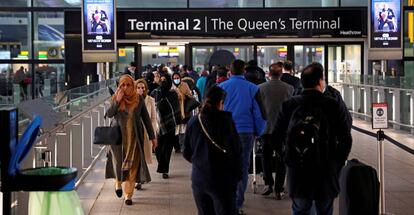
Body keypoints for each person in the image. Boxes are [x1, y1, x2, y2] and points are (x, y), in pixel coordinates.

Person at [272, 63, 352, 215]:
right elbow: (345, 139)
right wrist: (337, 163)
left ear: (302, 82)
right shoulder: (332, 105)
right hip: (326, 170)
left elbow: (275, 138)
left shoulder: (290, 104)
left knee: (301, 209)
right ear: (321, 81)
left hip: (298, 170)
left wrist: (288, 158)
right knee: (324, 209)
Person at [183, 86, 242, 215]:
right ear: (221, 103)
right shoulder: (225, 122)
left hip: (199, 178)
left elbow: (186, 151)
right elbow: (235, 151)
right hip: (223, 179)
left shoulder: (193, 121)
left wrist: (200, 160)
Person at [219, 59, 266, 214]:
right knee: (243, 166)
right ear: (244, 71)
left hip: (226, 131)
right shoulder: (253, 88)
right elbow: (259, 113)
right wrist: (258, 131)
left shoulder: (221, 87)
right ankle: (238, 202)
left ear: (229, 72)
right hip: (246, 132)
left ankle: (227, 199)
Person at [105, 75, 157, 205]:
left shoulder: (138, 99)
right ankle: (118, 183)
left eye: (128, 85)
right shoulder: (116, 97)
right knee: (118, 164)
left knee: (133, 167)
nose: (126, 87)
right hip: (118, 139)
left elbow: (146, 119)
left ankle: (128, 195)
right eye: (123, 85)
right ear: (119, 86)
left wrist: (152, 137)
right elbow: (109, 114)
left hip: (135, 139)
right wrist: (117, 100)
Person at [258, 62, 293, 199]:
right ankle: (279, 188)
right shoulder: (289, 88)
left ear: (269, 73)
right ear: (281, 74)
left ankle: (268, 183)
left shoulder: (260, 88)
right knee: (281, 158)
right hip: (283, 129)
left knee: (265, 156)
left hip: (266, 128)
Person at [150, 73, 181, 179]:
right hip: (158, 125)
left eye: (165, 80)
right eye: (161, 80)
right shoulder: (154, 92)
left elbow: (176, 109)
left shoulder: (173, 94)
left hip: (170, 125)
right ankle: (162, 164)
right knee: (158, 148)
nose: (163, 82)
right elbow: (152, 107)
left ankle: (164, 169)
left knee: (167, 149)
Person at [135, 79, 158, 190]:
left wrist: (152, 134)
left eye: (142, 87)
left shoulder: (150, 100)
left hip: (145, 132)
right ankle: (138, 179)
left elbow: (153, 118)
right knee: (136, 155)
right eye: (138, 87)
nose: (141, 90)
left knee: (142, 155)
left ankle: (140, 177)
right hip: (135, 131)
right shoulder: (132, 100)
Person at [171, 72, 193, 152]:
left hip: (185, 110)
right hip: (175, 111)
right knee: (176, 129)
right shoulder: (171, 87)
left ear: (180, 78)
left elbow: (190, 95)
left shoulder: (184, 85)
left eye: (177, 78)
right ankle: (177, 146)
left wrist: (186, 95)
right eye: (175, 78)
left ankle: (183, 145)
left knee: (183, 129)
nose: (176, 79)